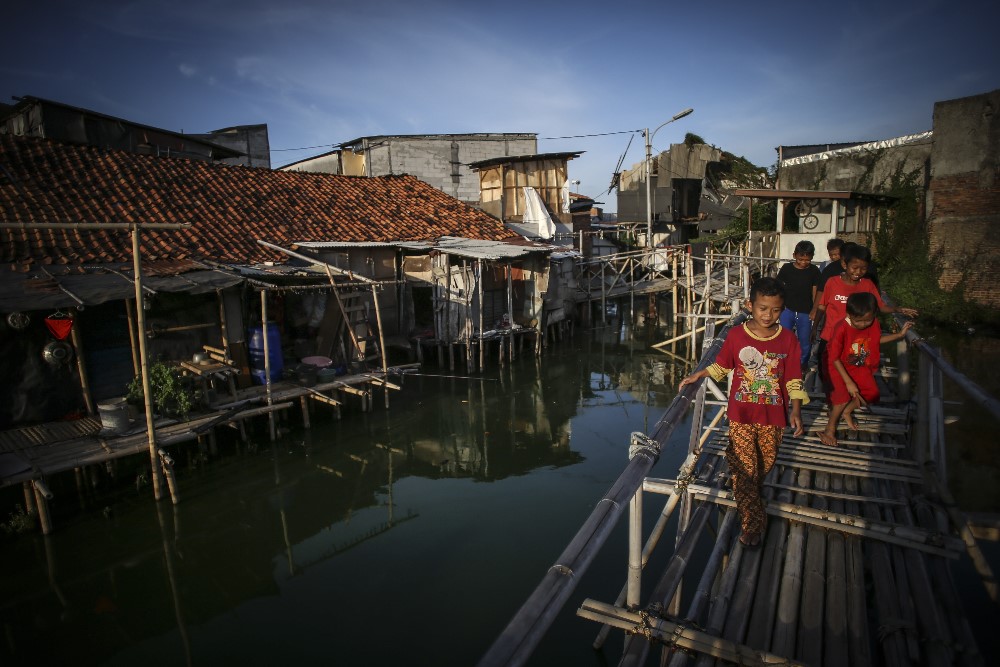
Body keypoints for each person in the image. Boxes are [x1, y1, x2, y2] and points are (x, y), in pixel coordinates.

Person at [679, 277, 808, 548]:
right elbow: (723, 365)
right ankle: (753, 524)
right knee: (747, 470)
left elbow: (794, 378)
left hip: (774, 417)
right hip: (741, 415)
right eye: (762, 308)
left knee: (764, 465)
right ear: (750, 305)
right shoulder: (737, 335)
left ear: (782, 309)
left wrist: (796, 410)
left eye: (775, 310)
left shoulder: (788, 340)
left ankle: (746, 489)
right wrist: (699, 374)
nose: (768, 315)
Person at [816, 244, 917, 391]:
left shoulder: (868, 285)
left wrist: (897, 309)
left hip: (855, 340)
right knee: (825, 369)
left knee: (851, 374)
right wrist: (814, 329)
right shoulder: (832, 282)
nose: (858, 272)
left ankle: (843, 403)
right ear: (845, 264)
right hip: (830, 336)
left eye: (863, 268)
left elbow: (880, 306)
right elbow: (822, 306)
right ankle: (833, 399)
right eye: (854, 268)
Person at [819, 293, 913, 446]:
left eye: (867, 320)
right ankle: (829, 429)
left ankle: (847, 411)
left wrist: (899, 335)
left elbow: (875, 341)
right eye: (858, 321)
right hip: (836, 364)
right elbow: (834, 357)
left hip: (858, 363)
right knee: (841, 397)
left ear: (874, 314)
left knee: (872, 393)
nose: (863, 324)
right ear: (849, 314)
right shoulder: (841, 327)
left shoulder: (874, 324)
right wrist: (848, 382)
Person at [777, 240, 822, 370]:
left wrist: (814, 309)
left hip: (805, 312)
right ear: (794, 255)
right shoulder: (786, 268)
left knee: (805, 341)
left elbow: (815, 291)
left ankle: (802, 365)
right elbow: (779, 288)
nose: (803, 262)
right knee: (784, 338)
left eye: (807, 260)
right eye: (800, 259)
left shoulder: (814, 271)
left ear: (812, 257)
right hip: (787, 310)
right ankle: (783, 364)